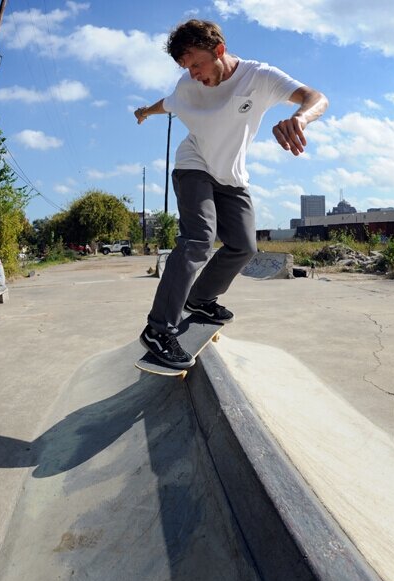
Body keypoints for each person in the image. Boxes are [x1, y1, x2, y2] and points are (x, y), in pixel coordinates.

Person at [135, 19, 328, 368]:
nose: (193, 75)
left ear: (219, 51)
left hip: (232, 176)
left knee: (244, 246)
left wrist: (300, 119)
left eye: (196, 64)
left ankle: (201, 297)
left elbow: (317, 97)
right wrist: (145, 112)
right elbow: (167, 103)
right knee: (199, 239)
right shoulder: (186, 86)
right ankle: (159, 328)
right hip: (194, 164)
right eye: (185, 67)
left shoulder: (260, 77)